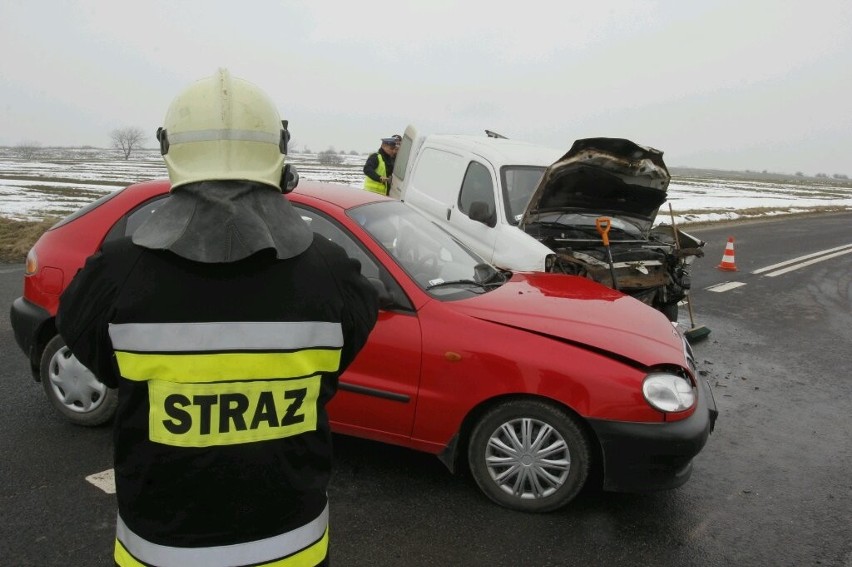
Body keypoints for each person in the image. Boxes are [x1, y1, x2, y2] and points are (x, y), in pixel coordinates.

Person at [56, 69, 378, 567]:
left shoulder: (116, 274)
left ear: (171, 149)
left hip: (160, 550)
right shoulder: (335, 272)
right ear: (279, 148)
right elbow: (339, 357)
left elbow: (96, 353)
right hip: (294, 547)